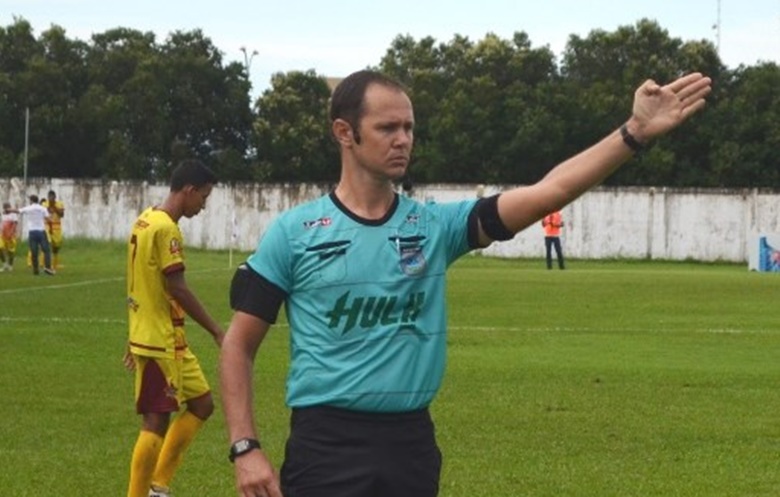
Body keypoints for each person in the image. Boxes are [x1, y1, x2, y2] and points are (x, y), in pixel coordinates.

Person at [219, 69, 711, 497]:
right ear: (345, 133)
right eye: (387, 127)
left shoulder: (434, 227)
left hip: (410, 442)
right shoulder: (295, 233)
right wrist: (246, 449)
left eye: (409, 127)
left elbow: (549, 192)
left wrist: (634, 132)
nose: (403, 139)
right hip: (325, 443)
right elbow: (237, 346)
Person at [124, 159, 225, 497]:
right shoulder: (167, 228)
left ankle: (159, 486)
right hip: (159, 342)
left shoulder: (144, 219)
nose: (204, 205)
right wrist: (216, 329)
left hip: (169, 338)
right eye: (204, 197)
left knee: (202, 404)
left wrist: (133, 331)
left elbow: (138, 283)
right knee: (156, 420)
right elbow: (177, 286)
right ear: (189, 190)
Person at [9, 195, 54, 275]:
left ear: (31, 201)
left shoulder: (28, 208)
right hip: (41, 231)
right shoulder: (42, 208)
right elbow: (49, 219)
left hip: (32, 232)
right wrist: (51, 217)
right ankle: (48, 267)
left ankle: (36, 270)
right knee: (46, 250)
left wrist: (8, 210)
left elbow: (18, 211)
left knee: (34, 252)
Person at [42, 189, 65, 269]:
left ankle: (55, 263)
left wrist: (54, 207)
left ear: (55, 197)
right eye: (49, 197)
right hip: (47, 226)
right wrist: (49, 207)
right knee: (47, 244)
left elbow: (61, 215)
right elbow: (45, 212)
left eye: (52, 197)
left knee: (56, 246)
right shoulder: (45, 204)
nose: (50, 198)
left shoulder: (60, 204)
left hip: (57, 227)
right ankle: (44, 264)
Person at [0, 202, 19, 271]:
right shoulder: (2, 215)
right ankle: (4, 264)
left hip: (11, 236)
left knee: (11, 251)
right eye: (4, 207)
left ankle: (10, 265)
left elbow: (15, 224)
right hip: (2, 235)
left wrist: (11, 232)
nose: (6, 209)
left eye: (7, 207)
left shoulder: (13, 215)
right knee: (0, 248)